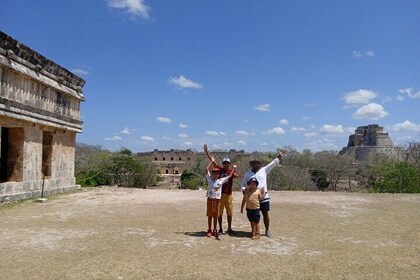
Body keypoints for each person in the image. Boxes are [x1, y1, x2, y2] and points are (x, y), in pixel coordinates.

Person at [241, 150, 286, 237]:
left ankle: (267, 230)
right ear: (251, 164)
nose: (255, 165)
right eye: (254, 163)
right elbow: (243, 184)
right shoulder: (247, 174)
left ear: (259, 164)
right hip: (252, 198)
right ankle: (253, 231)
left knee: (265, 214)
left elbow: (273, 163)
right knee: (253, 216)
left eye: (257, 163)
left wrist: (279, 156)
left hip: (264, 197)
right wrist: (244, 190)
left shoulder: (264, 170)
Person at [203, 144, 241, 236]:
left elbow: (238, 176)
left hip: (228, 195)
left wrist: (235, 170)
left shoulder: (231, 171)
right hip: (219, 195)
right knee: (219, 213)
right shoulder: (219, 170)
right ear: (223, 164)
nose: (226, 165)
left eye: (227, 163)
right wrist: (207, 152)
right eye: (224, 163)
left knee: (229, 212)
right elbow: (212, 161)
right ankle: (219, 228)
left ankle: (229, 228)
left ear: (229, 164)